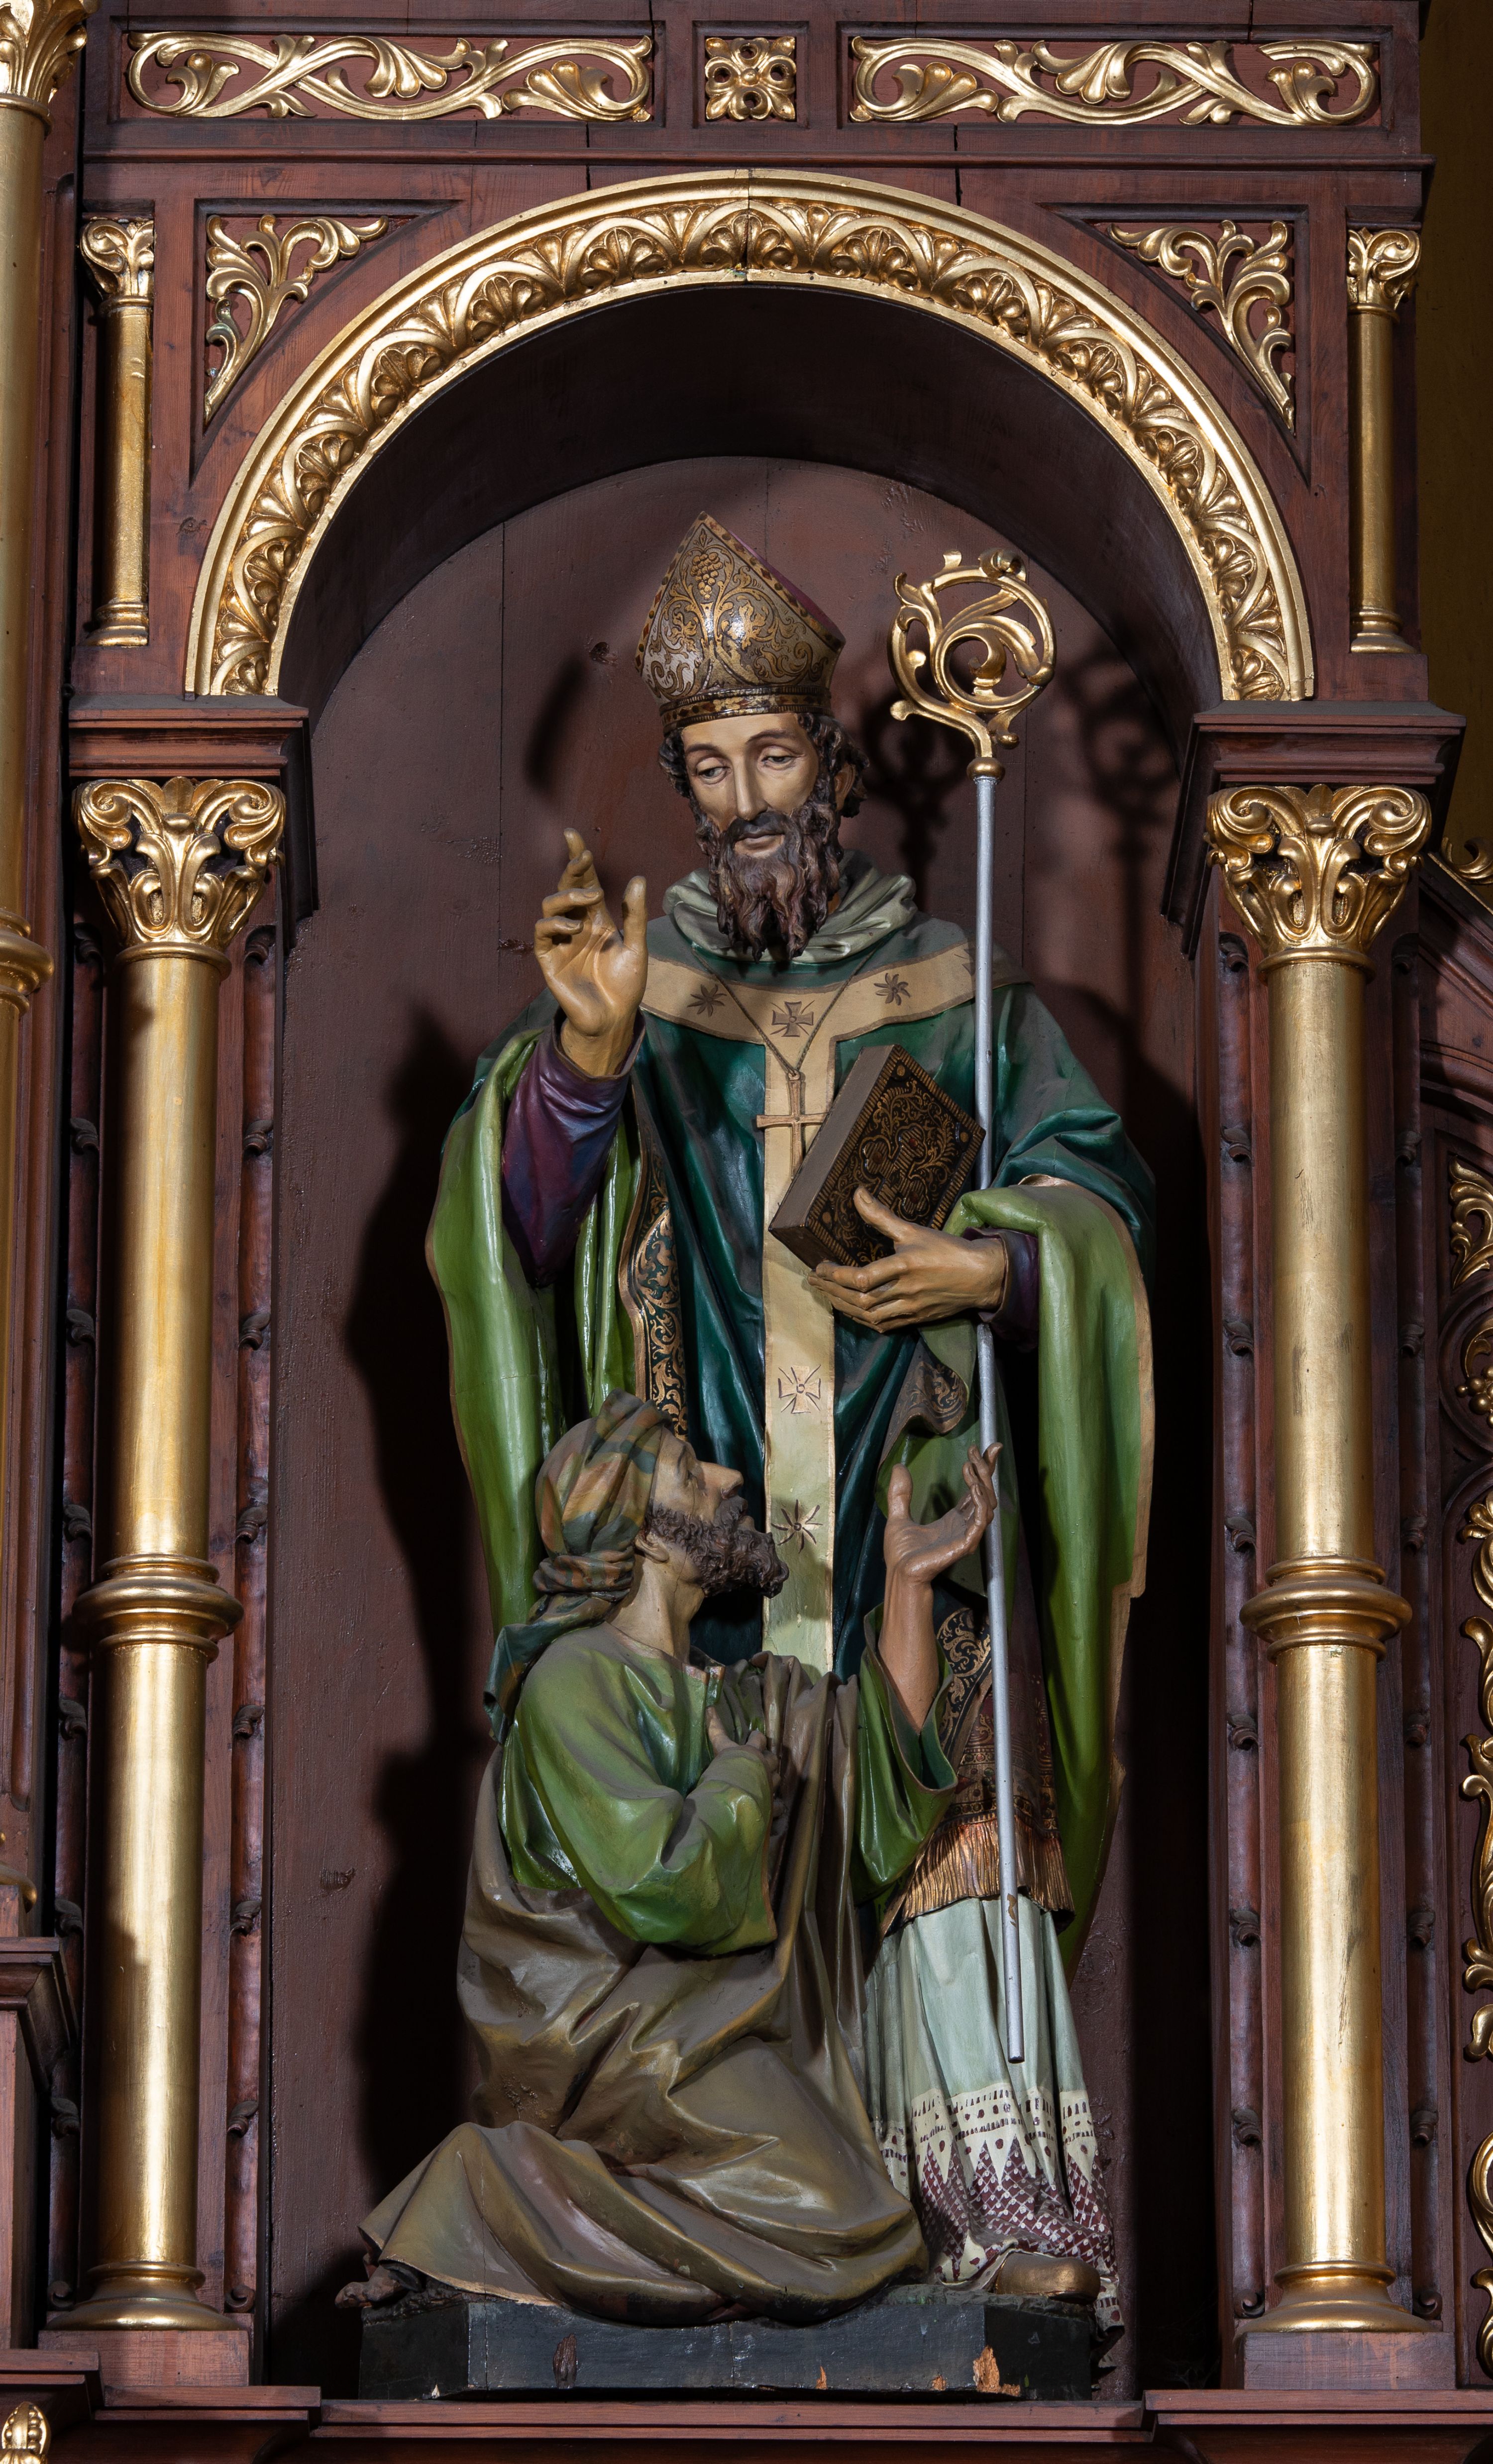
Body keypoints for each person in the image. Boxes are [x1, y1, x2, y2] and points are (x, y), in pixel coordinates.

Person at [428, 515, 1153, 2317]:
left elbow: (1095, 1204)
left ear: (831, 766)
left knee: (947, 1820)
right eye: (709, 768)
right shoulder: (638, 993)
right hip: (721, 1547)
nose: (745, 802)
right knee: (733, 1844)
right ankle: (772, 2211)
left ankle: (988, 2228)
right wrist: (585, 1064)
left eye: (771, 758)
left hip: (911, 1495)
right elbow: (522, 1240)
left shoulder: (963, 989)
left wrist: (997, 1269)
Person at [342, 1393, 996, 2322]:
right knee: (845, 2219)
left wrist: (908, 1587)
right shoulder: (573, 1682)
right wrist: (738, 1778)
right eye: (692, 1473)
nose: (729, 1481)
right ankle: (482, 2190)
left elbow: (876, 1795)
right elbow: (665, 1878)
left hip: (718, 2038)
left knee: (855, 2216)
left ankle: (531, 2220)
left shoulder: (745, 1700)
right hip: (626, 2046)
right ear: (644, 1534)